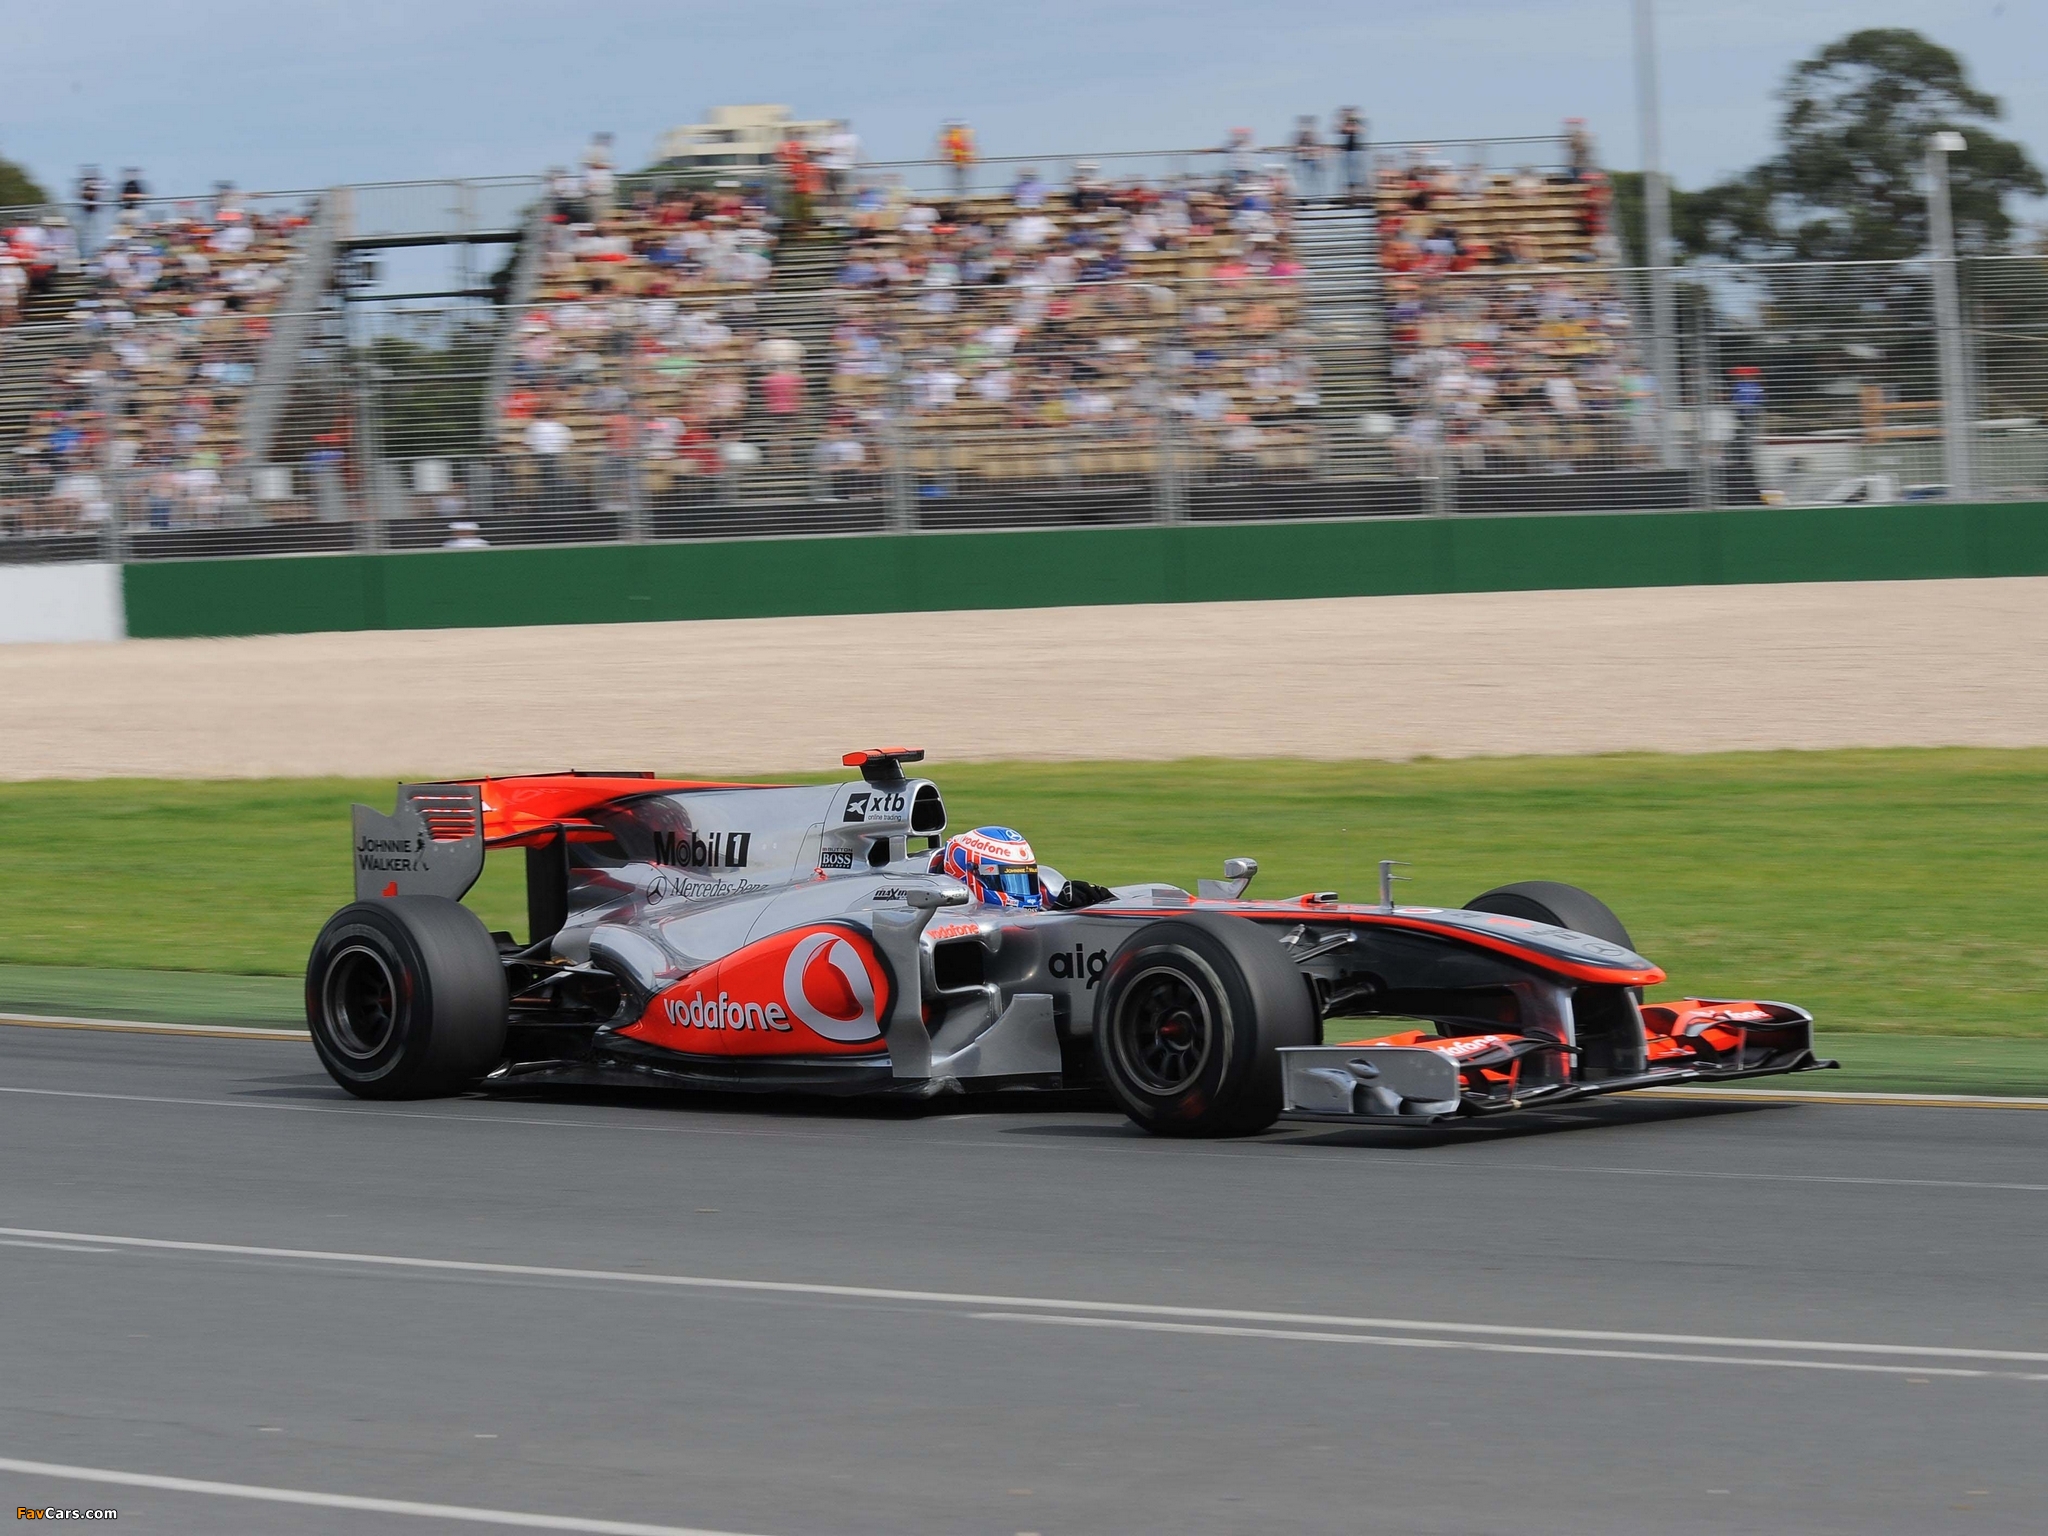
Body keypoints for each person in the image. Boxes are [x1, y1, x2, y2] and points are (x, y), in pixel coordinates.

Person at [939, 120, 976, 200]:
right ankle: (960, 195)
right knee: (959, 180)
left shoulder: (956, 137)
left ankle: (961, 195)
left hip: (960, 162)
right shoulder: (958, 136)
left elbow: (965, 148)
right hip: (959, 162)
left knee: (960, 180)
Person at [1335, 108, 1366, 202]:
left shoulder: (1357, 123)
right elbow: (1341, 129)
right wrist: (1342, 119)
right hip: (1347, 152)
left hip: (1355, 151)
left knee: (1356, 173)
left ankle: (1356, 193)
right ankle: (1349, 194)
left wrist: (1354, 120)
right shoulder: (1345, 124)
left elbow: (1358, 130)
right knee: (1348, 174)